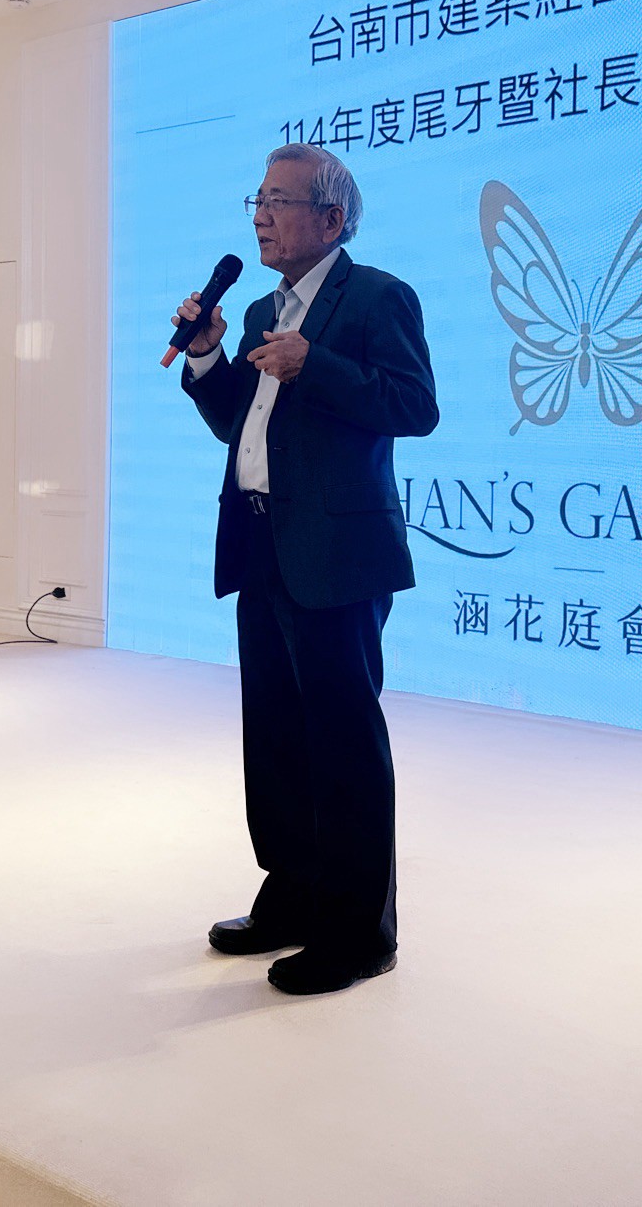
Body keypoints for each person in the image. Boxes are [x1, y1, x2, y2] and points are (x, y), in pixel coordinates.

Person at [171, 143, 438, 996]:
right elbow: (240, 425)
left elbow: (415, 407)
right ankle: (291, 897)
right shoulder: (258, 311)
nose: (261, 214)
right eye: (257, 198)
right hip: (261, 543)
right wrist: (208, 358)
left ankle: (358, 934)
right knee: (277, 737)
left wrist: (314, 364)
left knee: (343, 742)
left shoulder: (379, 297)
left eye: (278, 200)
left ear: (331, 218)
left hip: (339, 553)